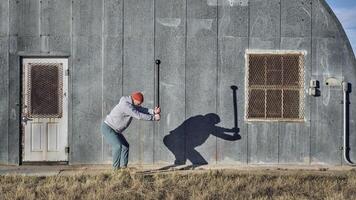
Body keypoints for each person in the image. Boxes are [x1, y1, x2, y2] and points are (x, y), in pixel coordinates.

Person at [101, 91, 160, 169]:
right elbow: (138, 115)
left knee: (125, 146)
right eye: (138, 103)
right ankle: (115, 170)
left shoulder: (132, 103)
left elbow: (140, 109)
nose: (139, 105)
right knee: (117, 146)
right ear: (134, 99)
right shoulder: (126, 105)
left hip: (115, 130)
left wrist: (153, 111)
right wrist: (153, 118)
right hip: (108, 127)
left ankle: (123, 168)